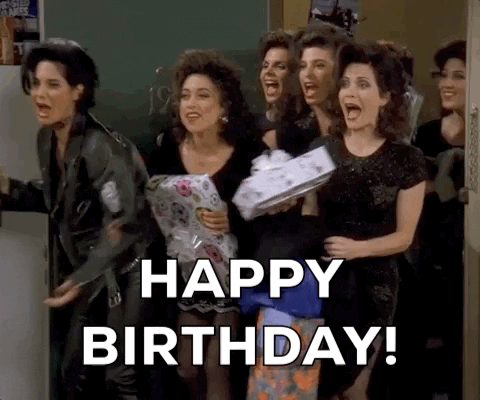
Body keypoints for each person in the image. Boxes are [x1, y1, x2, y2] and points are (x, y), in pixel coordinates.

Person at [0, 38, 154, 400]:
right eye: (35, 84)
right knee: (75, 373)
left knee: (120, 376)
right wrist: (7, 188)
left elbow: (124, 222)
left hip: (127, 272)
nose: (40, 94)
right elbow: (59, 201)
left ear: (78, 91)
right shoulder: (47, 139)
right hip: (90, 271)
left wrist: (80, 278)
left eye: (53, 85)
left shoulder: (103, 147)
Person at [305, 41, 428, 399]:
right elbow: (308, 215)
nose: (350, 93)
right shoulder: (321, 149)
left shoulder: (407, 159)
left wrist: (357, 249)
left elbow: (405, 237)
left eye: (362, 84)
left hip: (374, 285)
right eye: (345, 84)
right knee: (321, 388)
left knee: (354, 389)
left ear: (385, 97)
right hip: (322, 279)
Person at [147, 48, 266, 400]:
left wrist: (235, 218)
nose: (191, 104)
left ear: (224, 105)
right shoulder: (166, 149)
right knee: (186, 367)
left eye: (202, 95)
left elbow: (272, 220)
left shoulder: (250, 154)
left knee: (217, 366)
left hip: (238, 279)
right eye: (185, 96)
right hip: (187, 277)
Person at [412, 39, 466, 399]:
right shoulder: (427, 133)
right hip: (428, 257)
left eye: (458, 76)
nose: (446, 83)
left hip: (467, 260)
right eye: (444, 75)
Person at [273, 23, 351, 156]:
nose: (308, 74)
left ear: (340, 72)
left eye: (319, 65)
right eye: (303, 66)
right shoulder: (292, 133)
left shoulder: (356, 129)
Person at [256, 28, 294, 147]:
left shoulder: (308, 130)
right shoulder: (251, 127)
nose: (268, 71)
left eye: (280, 66)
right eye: (265, 65)